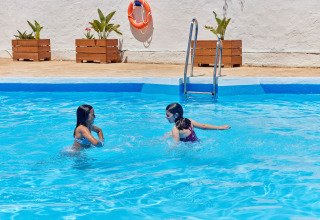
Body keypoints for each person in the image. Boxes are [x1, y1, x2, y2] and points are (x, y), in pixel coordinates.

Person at [165, 103, 230, 143]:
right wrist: (220, 127)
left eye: (168, 115)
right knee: (168, 134)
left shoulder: (175, 129)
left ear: (176, 115)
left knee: (169, 134)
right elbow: (204, 126)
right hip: (198, 143)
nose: (166, 117)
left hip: (190, 152)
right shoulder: (189, 121)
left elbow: (176, 145)